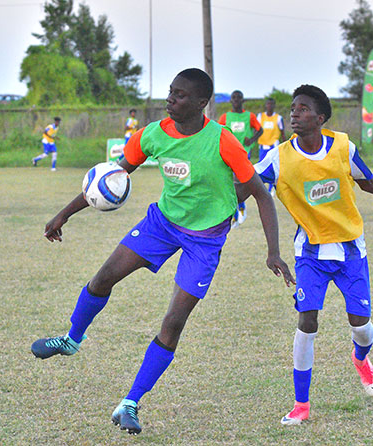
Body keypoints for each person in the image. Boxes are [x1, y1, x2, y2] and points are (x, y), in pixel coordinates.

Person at [30, 68, 294, 435]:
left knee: (173, 321)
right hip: (162, 224)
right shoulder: (153, 134)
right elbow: (112, 178)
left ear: (202, 103)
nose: (171, 99)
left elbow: (262, 194)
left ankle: (130, 403)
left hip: (205, 240)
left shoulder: (222, 141)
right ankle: (72, 339)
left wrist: (273, 252)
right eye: (170, 92)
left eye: (181, 95)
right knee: (104, 277)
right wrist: (64, 214)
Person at [239, 84, 373, 426]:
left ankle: (361, 358)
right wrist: (227, 202)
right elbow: (247, 185)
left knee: (362, 327)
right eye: (293, 108)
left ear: (321, 118)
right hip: (309, 254)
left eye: (303, 108)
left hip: (351, 250)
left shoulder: (342, 146)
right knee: (307, 323)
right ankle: (301, 405)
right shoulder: (278, 157)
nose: (294, 113)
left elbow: (368, 182)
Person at [217, 90, 263, 228]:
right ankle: (235, 216)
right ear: (230, 101)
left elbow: (260, 130)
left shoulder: (250, 116)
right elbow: (217, 132)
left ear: (243, 101)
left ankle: (240, 207)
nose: (236, 100)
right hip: (227, 154)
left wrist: (252, 140)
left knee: (239, 183)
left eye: (239, 98)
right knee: (229, 184)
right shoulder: (225, 117)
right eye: (234, 98)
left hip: (243, 154)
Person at [257, 97, 286, 194]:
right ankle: (262, 188)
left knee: (274, 167)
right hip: (262, 146)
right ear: (266, 105)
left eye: (272, 104)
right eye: (268, 104)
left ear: (274, 106)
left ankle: (271, 189)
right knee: (261, 168)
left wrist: (285, 146)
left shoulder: (278, 118)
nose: (270, 106)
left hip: (274, 145)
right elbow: (256, 130)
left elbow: (282, 133)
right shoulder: (260, 116)